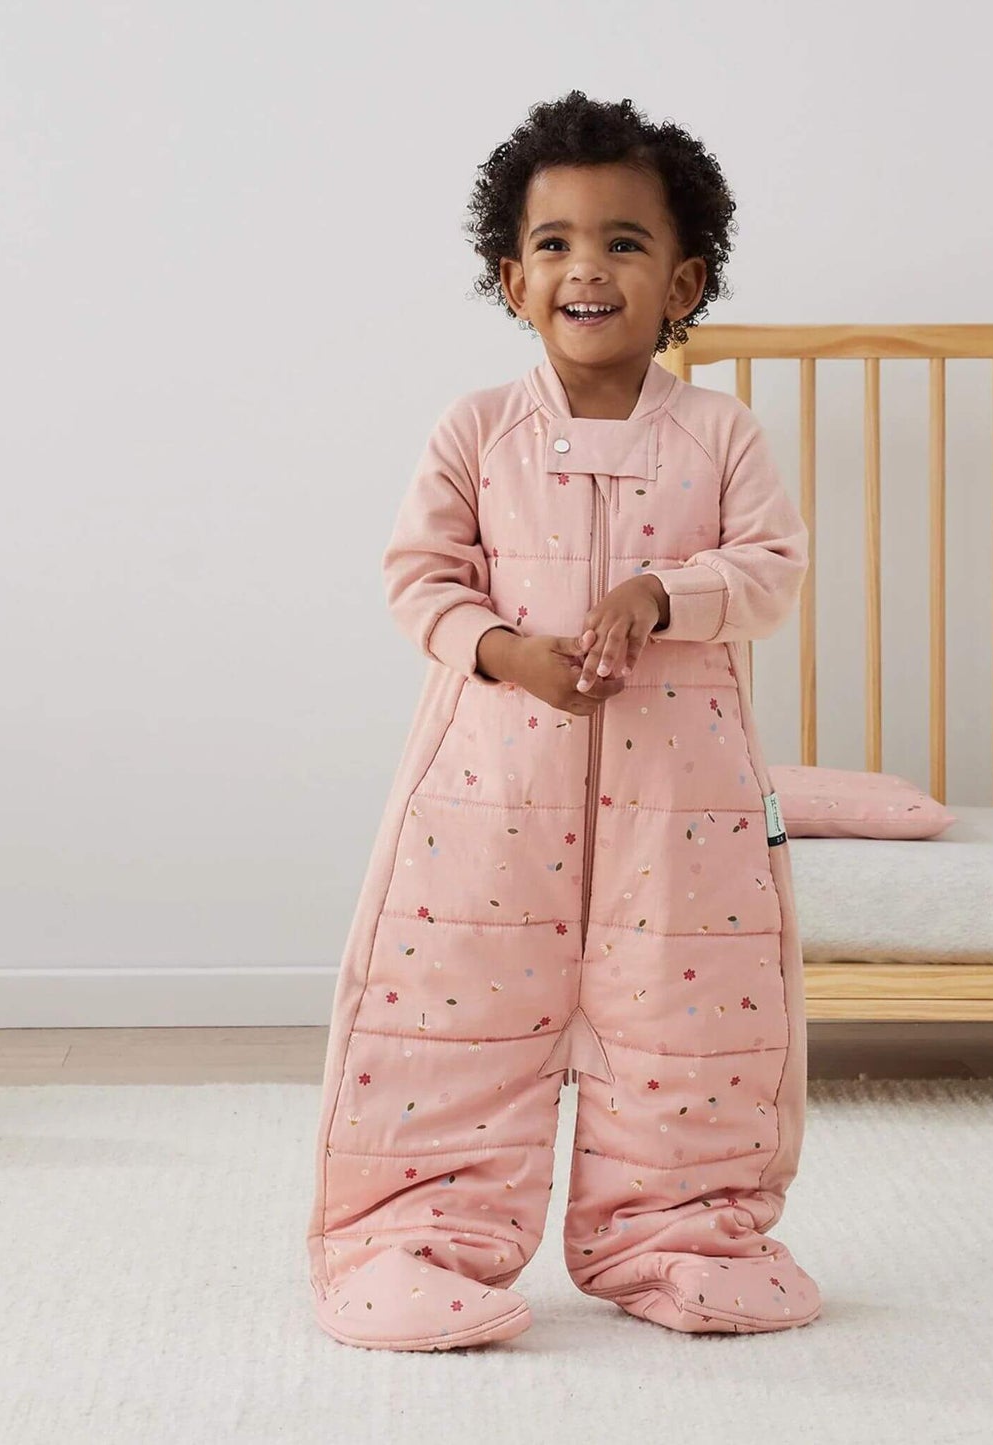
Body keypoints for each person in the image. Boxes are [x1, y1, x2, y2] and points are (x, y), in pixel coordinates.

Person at [305, 90, 820, 1352]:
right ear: (511, 277)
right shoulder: (477, 430)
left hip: (678, 804)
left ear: (682, 278)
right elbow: (417, 577)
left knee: (688, 1019)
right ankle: (409, 1233)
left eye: (625, 243)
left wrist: (662, 593)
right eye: (554, 243)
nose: (587, 266)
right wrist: (503, 653)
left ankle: (682, 1232)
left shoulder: (718, 432)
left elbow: (770, 568)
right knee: (448, 1008)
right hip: (485, 793)